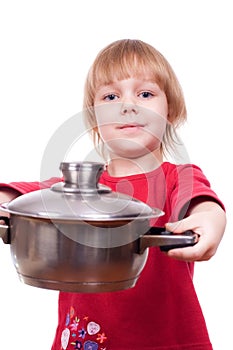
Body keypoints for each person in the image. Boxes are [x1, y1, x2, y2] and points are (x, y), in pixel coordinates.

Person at [0, 39, 226, 350]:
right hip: (85, 343)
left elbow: (203, 205)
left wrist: (209, 220)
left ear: (170, 111)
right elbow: (23, 195)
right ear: (95, 118)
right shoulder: (76, 190)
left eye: (145, 94)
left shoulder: (178, 178)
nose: (128, 105)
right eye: (111, 96)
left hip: (169, 343)